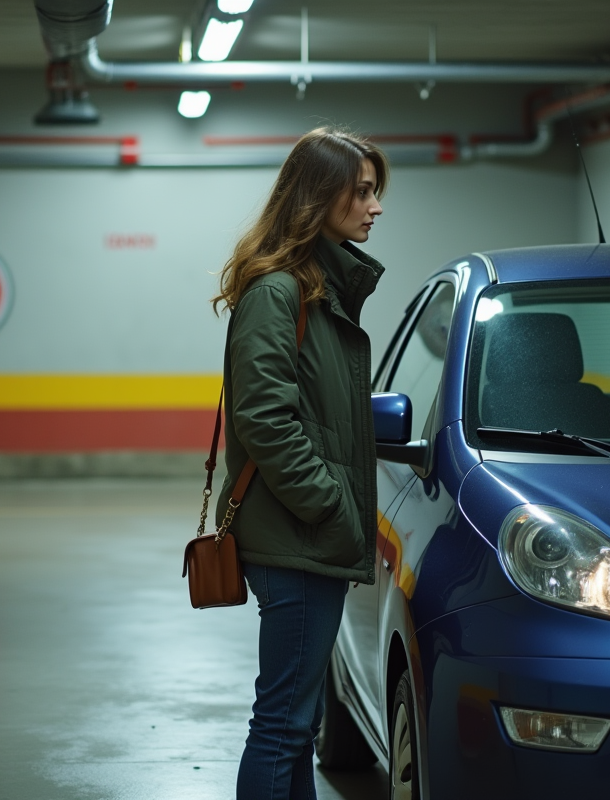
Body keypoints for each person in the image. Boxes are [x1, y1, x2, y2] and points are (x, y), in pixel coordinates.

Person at [212, 127, 389, 800]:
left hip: (307, 536)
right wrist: (331, 504)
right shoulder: (278, 293)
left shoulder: (317, 288)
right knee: (283, 723)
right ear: (321, 197)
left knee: (297, 720)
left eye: (376, 192)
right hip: (297, 538)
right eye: (363, 191)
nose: (375, 207)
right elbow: (263, 419)